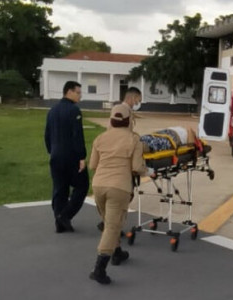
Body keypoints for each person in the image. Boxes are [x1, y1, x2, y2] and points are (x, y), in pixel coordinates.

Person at [89, 104, 154, 285]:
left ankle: (117, 253)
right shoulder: (134, 140)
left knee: (110, 222)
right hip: (119, 187)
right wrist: (149, 171)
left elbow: (93, 165)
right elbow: (136, 167)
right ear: (129, 120)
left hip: (98, 185)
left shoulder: (100, 138)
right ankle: (99, 269)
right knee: (112, 226)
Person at [44, 81, 89, 233]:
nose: (80, 96)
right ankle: (65, 215)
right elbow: (77, 136)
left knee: (60, 189)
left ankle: (59, 222)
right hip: (71, 156)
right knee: (82, 186)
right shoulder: (74, 110)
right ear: (69, 92)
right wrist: (81, 157)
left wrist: (52, 151)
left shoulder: (52, 110)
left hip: (56, 155)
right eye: (78, 93)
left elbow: (47, 135)